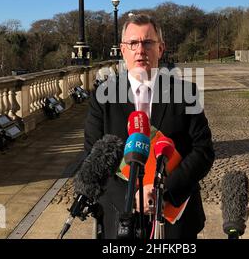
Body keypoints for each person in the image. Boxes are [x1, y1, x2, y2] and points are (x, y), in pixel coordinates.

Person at [84, 14, 214, 239]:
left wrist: (163, 192)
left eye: (148, 42)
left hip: (175, 216)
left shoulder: (186, 93)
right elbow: (92, 156)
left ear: (161, 48)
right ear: (122, 50)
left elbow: (203, 151)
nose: (140, 50)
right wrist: (131, 196)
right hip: (119, 217)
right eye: (133, 43)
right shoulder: (102, 97)